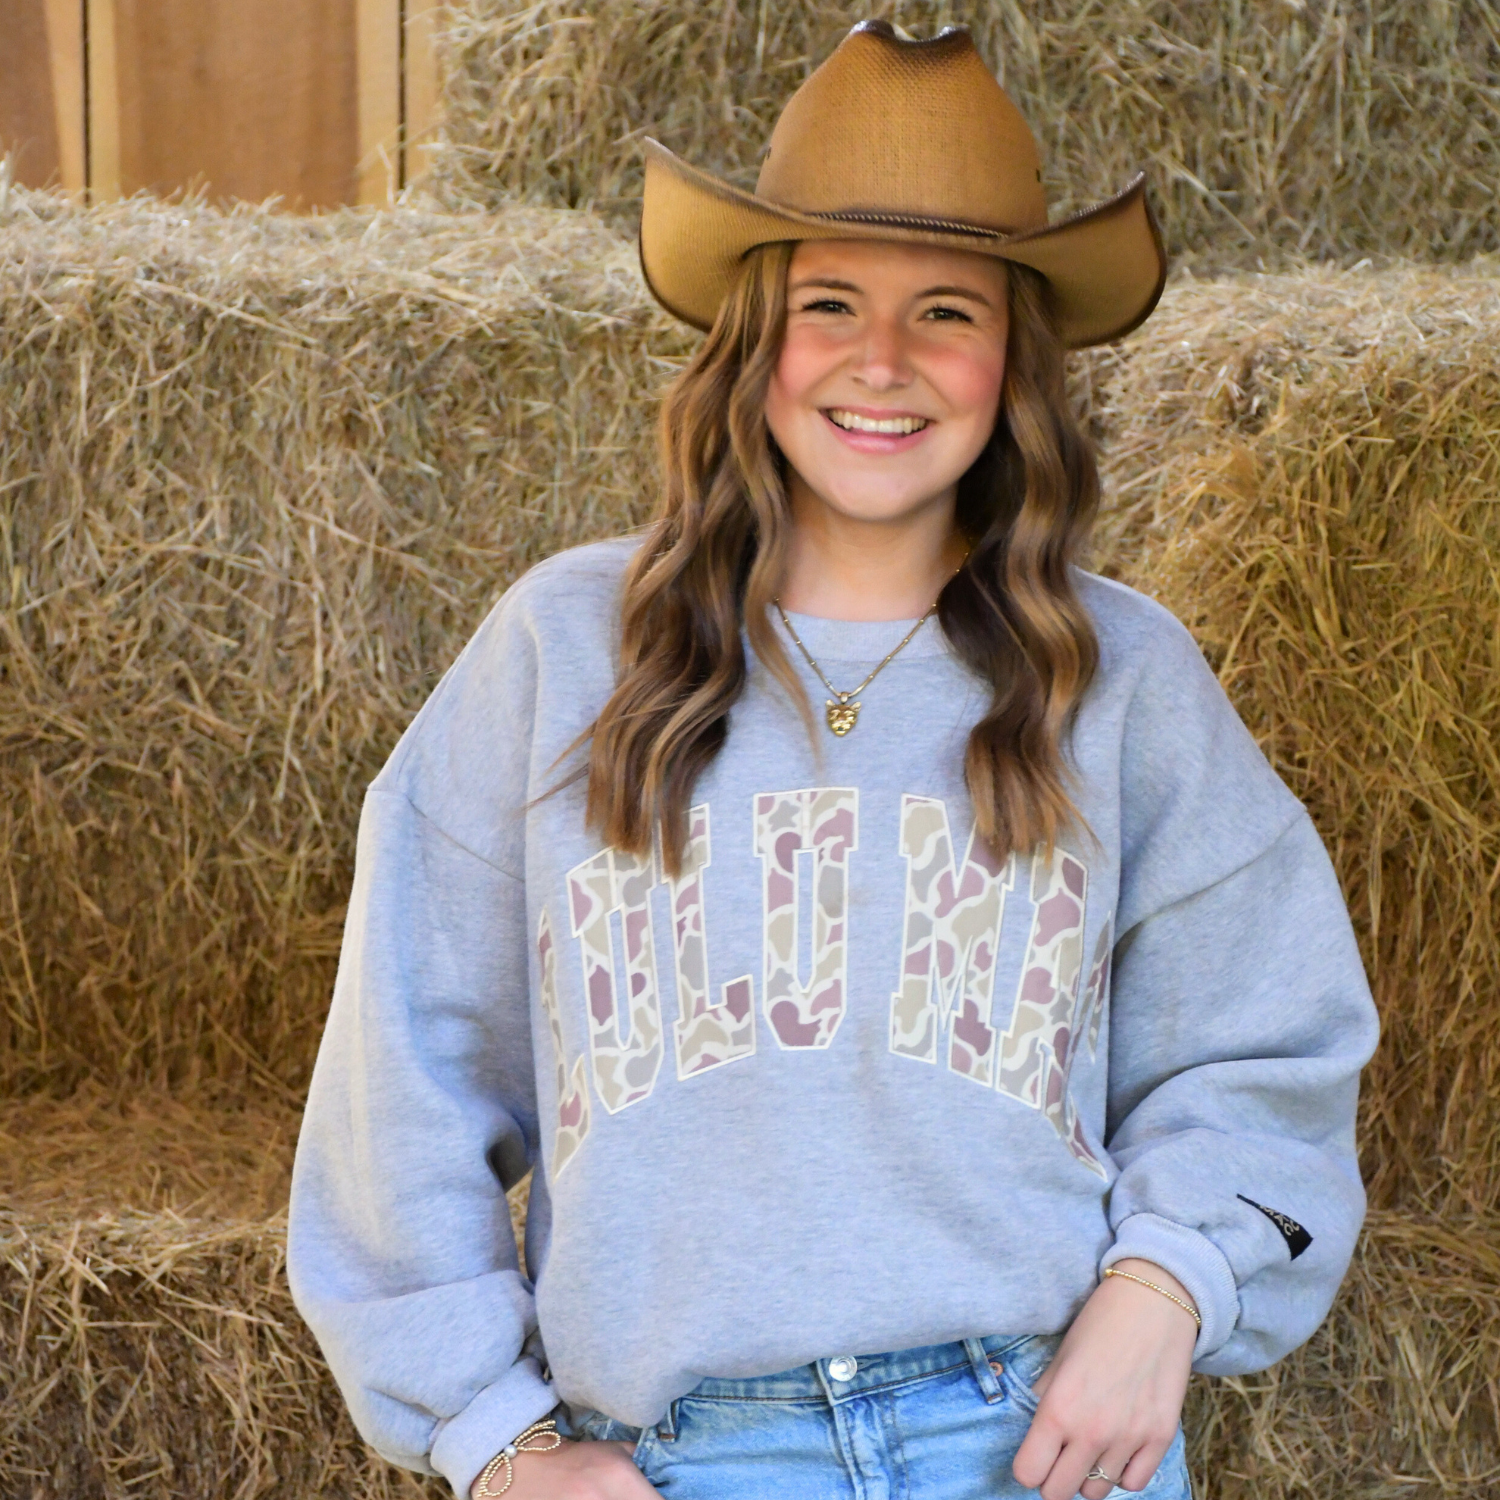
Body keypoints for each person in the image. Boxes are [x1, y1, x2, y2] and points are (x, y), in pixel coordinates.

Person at [287, 21, 1378, 1500]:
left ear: (1016, 362)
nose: (882, 362)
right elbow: (397, 1080)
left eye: (946, 312)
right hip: (674, 1460)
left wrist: (1168, 1285)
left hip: (1035, 1439)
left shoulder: (1121, 679)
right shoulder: (561, 657)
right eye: (830, 305)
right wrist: (497, 1439)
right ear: (753, 341)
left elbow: (1270, 1041)